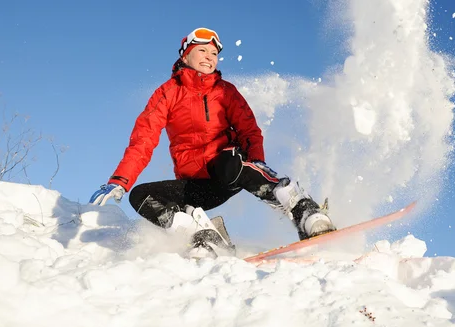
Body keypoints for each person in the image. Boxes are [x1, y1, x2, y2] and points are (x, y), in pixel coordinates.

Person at [89, 27, 335, 256]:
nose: (209, 57)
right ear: (185, 57)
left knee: (229, 162)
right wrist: (121, 180)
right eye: (202, 51)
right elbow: (144, 139)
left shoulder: (225, 91)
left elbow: (249, 131)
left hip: (229, 170)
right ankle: (202, 235)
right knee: (140, 196)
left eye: (214, 53)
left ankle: (302, 209)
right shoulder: (167, 93)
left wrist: (257, 166)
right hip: (196, 185)